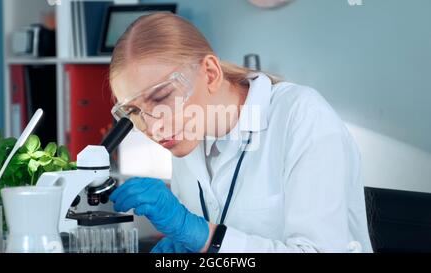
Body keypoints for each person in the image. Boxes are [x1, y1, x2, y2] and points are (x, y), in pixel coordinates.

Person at [108, 13, 373, 253]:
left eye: (162, 96)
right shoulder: (186, 138)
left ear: (210, 74)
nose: (155, 127)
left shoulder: (302, 115)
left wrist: (203, 237)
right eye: (134, 112)